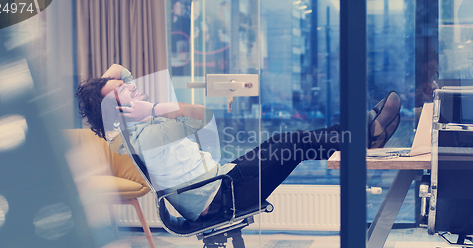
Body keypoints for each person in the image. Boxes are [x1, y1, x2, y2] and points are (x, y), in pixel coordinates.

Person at [75, 64, 401, 221]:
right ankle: (364, 134)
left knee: (286, 140)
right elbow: (200, 115)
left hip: (220, 180)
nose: (135, 88)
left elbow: (121, 71)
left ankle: (362, 132)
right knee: (293, 142)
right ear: (120, 110)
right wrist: (152, 107)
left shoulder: (132, 127)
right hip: (220, 197)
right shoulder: (147, 133)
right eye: (125, 93)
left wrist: (106, 88)